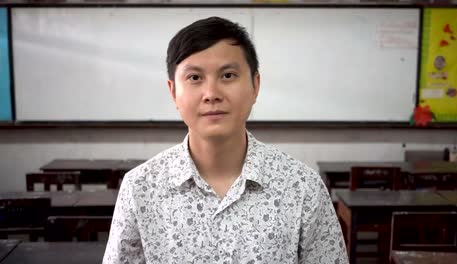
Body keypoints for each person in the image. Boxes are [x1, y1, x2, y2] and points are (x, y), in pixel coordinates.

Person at [103, 16, 348, 264]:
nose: (212, 94)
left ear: (255, 85)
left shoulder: (302, 188)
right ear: (173, 92)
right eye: (195, 78)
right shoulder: (140, 189)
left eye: (228, 75)